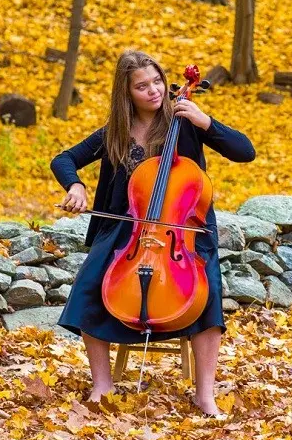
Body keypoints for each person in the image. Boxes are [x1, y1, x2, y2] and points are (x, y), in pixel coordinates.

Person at [49, 51, 255, 415]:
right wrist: (75, 186)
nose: (153, 91)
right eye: (142, 86)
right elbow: (63, 159)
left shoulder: (185, 121)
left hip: (184, 232)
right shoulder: (114, 133)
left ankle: (204, 394)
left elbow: (245, 152)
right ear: (126, 93)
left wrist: (207, 122)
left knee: (209, 300)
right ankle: (102, 384)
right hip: (127, 230)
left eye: (157, 81)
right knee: (87, 288)